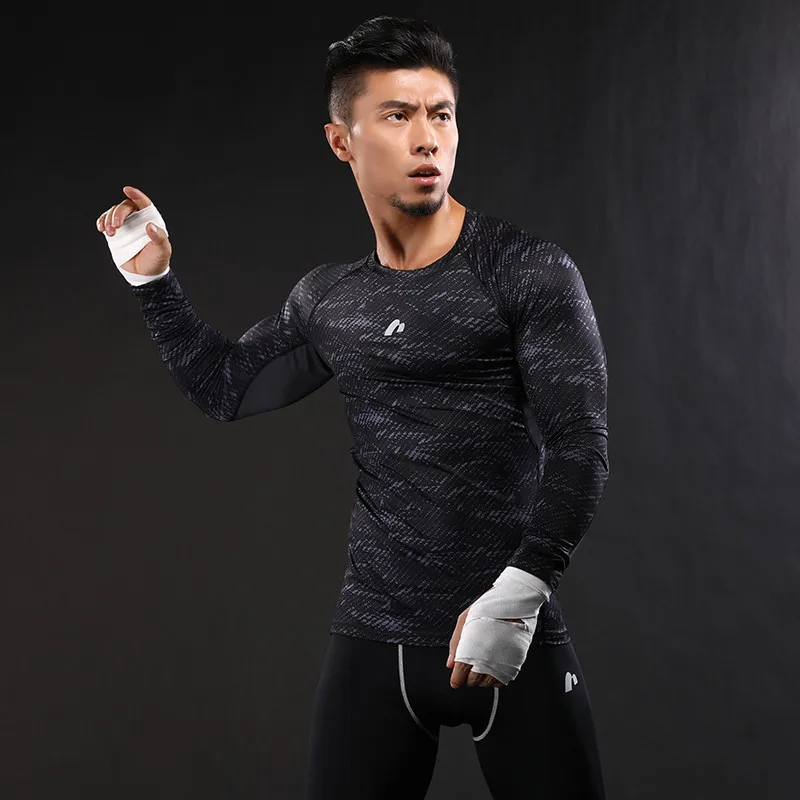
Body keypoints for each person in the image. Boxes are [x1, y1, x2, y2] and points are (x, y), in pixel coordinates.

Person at [96, 14, 610, 800]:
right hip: (374, 637)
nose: (428, 139)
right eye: (397, 115)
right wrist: (153, 282)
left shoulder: (525, 271)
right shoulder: (331, 299)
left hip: (507, 631)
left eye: (441, 114)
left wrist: (522, 587)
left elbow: (580, 445)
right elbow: (227, 387)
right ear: (343, 141)